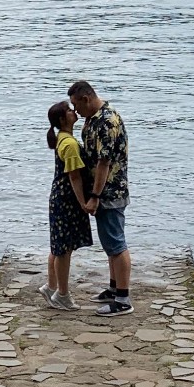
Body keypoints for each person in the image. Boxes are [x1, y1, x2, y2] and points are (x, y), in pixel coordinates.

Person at [68, 78, 131, 314]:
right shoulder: (93, 119)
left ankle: (123, 299)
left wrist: (94, 195)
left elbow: (104, 162)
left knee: (116, 243)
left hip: (110, 191)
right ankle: (115, 288)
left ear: (86, 98)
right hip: (104, 189)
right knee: (109, 243)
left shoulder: (106, 122)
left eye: (77, 105)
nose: (75, 111)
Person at [43, 98, 91, 310]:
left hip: (58, 197)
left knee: (58, 245)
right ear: (63, 119)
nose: (74, 112)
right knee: (64, 249)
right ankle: (62, 294)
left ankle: (52, 287)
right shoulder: (69, 144)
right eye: (70, 110)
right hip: (67, 199)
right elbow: (75, 177)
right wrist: (83, 203)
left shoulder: (63, 138)